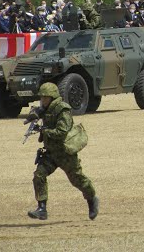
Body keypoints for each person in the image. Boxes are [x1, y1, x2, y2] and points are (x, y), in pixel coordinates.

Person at [27, 83, 99, 220]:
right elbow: (38, 111)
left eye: (45, 98)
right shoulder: (45, 108)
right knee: (39, 175)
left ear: (53, 97)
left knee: (78, 180)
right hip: (50, 153)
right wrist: (33, 115)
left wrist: (44, 130)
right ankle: (42, 209)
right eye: (41, 98)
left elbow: (61, 131)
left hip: (65, 153)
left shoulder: (63, 110)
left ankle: (92, 200)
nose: (42, 101)